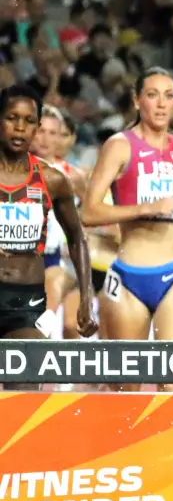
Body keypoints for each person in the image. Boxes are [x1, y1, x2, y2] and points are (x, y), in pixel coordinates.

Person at [81, 68, 173, 385]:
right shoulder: (119, 146)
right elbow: (89, 212)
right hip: (128, 277)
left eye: (169, 95)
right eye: (152, 95)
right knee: (125, 386)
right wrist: (146, 209)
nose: (161, 104)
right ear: (137, 101)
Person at [0, 86, 97, 374]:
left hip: (26, 302)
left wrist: (85, 298)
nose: (20, 128)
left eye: (29, 121)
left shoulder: (52, 179)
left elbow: (77, 236)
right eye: (11, 118)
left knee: (28, 388)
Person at [30, 104, 89, 335]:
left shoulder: (72, 177)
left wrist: (77, 234)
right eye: (41, 131)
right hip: (14, 258)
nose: (45, 139)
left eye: (53, 133)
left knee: (45, 319)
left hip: (54, 260)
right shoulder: (10, 169)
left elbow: (90, 212)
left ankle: (42, 330)